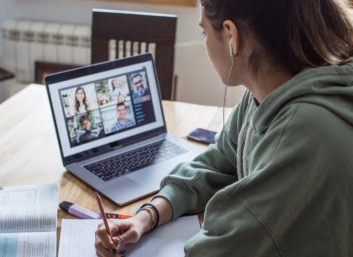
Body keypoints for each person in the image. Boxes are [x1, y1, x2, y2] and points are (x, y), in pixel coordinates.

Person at [95, 0, 353, 256]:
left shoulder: (303, 134)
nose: (204, 41)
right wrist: (147, 216)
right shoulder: (269, 92)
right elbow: (219, 161)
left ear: (232, 36)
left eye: (204, 32)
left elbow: (219, 248)